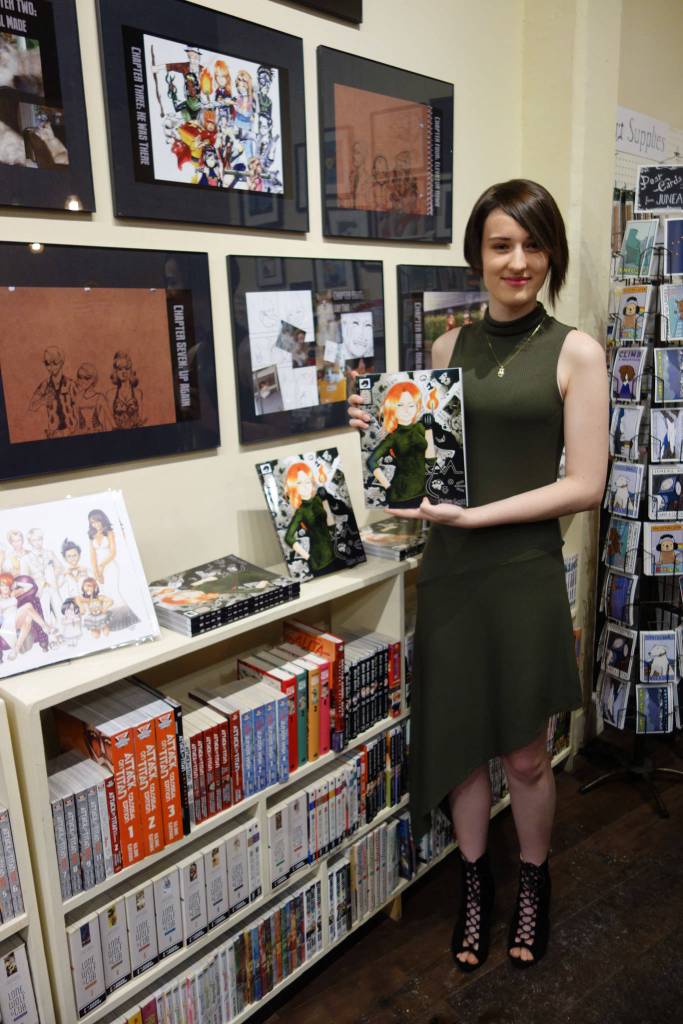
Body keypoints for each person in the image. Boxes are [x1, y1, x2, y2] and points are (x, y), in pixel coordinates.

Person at [348, 179, 608, 970]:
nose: (517, 260)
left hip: (522, 570)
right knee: (461, 742)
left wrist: (477, 517)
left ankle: (532, 878)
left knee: (526, 752)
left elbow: (585, 485)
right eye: (501, 245)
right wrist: (379, 431)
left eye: (532, 245)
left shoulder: (575, 351)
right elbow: (427, 478)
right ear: (477, 256)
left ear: (550, 254)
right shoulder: (444, 351)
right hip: (453, 573)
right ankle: (472, 883)